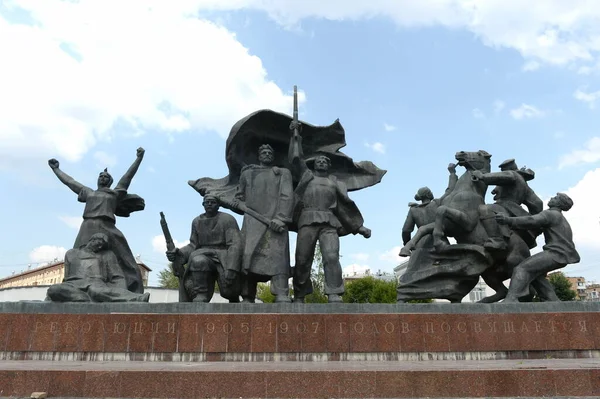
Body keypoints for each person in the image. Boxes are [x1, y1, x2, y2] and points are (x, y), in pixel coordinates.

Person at [288, 122, 371, 303]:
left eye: (325, 161)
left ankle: (334, 292)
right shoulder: (306, 176)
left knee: (331, 257)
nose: (322, 162)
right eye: (319, 161)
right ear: (313, 164)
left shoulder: (334, 182)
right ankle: (300, 294)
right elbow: (296, 158)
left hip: (329, 222)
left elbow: (344, 208)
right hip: (307, 219)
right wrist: (296, 136)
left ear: (329, 166)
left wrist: (359, 228)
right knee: (302, 260)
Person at [48, 147, 146, 293]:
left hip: (108, 227)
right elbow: (70, 182)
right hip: (87, 226)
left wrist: (138, 158)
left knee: (126, 259)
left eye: (106, 177)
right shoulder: (88, 192)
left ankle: (128, 290)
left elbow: (127, 176)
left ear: (110, 181)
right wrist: (56, 170)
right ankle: (71, 287)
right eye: (100, 176)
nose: (103, 178)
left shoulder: (115, 193)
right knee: (77, 256)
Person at [233, 144, 294, 303]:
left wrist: (280, 218)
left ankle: (281, 292)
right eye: (263, 152)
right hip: (252, 222)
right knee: (248, 256)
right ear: (259, 156)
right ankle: (247, 294)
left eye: (269, 152)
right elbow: (239, 197)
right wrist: (237, 203)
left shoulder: (282, 173)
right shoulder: (247, 173)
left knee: (278, 257)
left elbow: (287, 196)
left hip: (275, 223)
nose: (266, 154)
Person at [496, 193, 580, 302]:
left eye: (554, 198)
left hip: (556, 253)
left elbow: (531, 220)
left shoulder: (551, 214)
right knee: (535, 274)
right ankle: (551, 299)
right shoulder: (559, 218)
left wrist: (508, 220)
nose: (551, 198)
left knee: (522, 268)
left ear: (559, 203)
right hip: (562, 254)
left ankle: (511, 299)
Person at [166, 195, 243, 303]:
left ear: (218, 205)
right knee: (198, 261)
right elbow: (193, 245)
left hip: (224, 257)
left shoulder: (227, 219)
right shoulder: (197, 221)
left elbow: (235, 244)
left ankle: (234, 297)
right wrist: (179, 253)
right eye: (207, 202)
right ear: (203, 204)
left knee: (229, 292)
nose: (209, 204)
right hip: (204, 256)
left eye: (213, 202)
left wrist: (232, 268)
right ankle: (201, 294)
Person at [47, 233, 150, 302]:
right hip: (72, 285)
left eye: (102, 245)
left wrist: (120, 288)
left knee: (96, 292)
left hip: (95, 285)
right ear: (92, 240)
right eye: (99, 242)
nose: (100, 246)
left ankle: (137, 298)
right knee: (53, 290)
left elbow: (117, 277)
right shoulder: (71, 253)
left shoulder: (106, 255)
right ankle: (84, 298)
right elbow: (66, 276)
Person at [472, 158, 543, 251]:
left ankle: (497, 240)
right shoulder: (524, 185)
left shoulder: (512, 174)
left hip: (506, 206)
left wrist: (482, 176)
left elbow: (502, 177)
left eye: (503, 170)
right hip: (514, 208)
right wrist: (534, 218)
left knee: (484, 209)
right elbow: (538, 203)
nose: (502, 172)